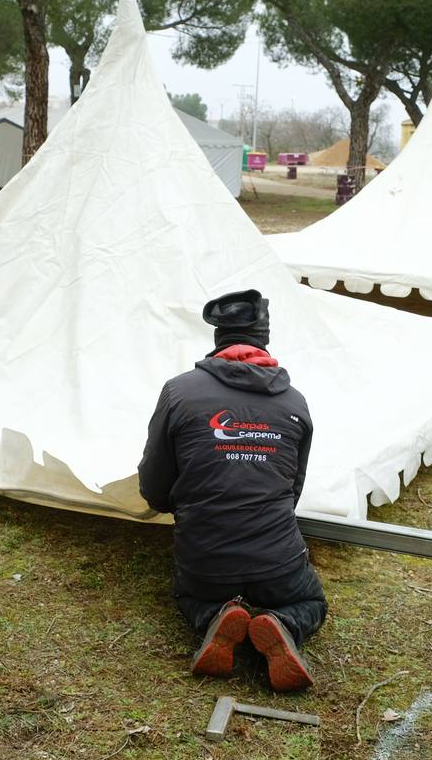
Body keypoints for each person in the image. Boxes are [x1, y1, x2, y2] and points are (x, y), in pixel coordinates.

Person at [138, 289, 324, 692]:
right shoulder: (295, 402)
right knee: (310, 604)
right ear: (264, 338)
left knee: (191, 596)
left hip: (205, 556)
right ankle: (282, 623)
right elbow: (293, 489)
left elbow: (154, 483)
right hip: (279, 558)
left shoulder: (179, 392)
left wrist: (185, 506)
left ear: (218, 337)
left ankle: (214, 616)